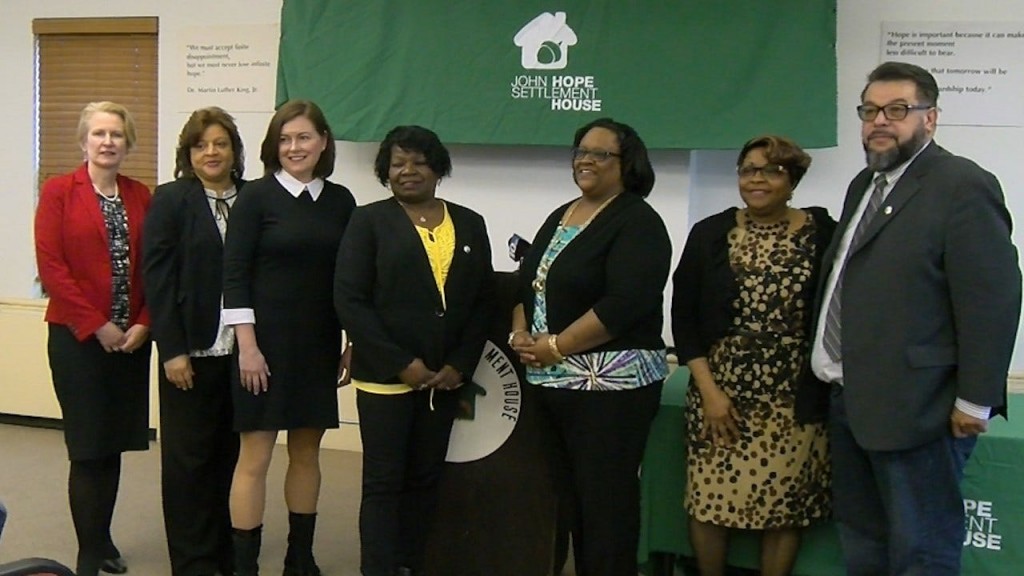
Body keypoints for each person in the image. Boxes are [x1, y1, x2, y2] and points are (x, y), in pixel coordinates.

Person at [808, 61, 1021, 575]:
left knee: (920, 551)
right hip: (850, 400)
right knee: (863, 545)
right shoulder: (865, 184)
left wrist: (975, 398)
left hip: (920, 408)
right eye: (870, 110)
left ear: (930, 118)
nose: (880, 120)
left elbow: (992, 297)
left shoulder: (962, 185)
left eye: (897, 109)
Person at [510, 117, 671, 576]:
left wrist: (557, 346)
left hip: (611, 393)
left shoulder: (638, 221)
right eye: (580, 151)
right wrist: (519, 333)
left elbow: (625, 304)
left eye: (600, 153)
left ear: (627, 163)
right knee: (571, 502)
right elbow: (528, 281)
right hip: (552, 385)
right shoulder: (562, 214)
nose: (585, 160)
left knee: (605, 508)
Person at [334, 125, 495, 576]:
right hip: (386, 377)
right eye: (398, 163)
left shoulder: (470, 222)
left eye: (419, 162)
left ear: (437, 168)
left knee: (426, 478)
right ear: (385, 171)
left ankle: (410, 564)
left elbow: (482, 301)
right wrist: (400, 363)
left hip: (443, 380)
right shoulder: (367, 221)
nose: (408, 171)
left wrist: (460, 364)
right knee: (384, 482)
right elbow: (350, 300)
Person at [671, 135, 834, 576]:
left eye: (772, 170)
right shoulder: (710, 233)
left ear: (793, 180)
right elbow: (684, 318)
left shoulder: (823, 233)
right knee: (709, 500)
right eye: (748, 170)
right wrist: (710, 393)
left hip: (794, 400)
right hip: (719, 392)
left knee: (784, 507)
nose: (757, 179)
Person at [222, 100, 356, 576]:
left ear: (323, 142)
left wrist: (353, 341)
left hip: (318, 346)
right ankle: (244, 565)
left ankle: (300, 558)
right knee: (255, 456)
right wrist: (248, 347)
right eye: (284, 139)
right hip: (262, 349)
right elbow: (234, 275)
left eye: (303, 137)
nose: (294, 147)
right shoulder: (255, 197)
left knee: (306, 453)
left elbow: (351, 279)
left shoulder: (341, 202)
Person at [33, 101, 152, 576]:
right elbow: (51, 268)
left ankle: (102, 539)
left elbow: (155, 266)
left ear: (128, 143)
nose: (108, 142)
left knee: (113, 444)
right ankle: (88, 552)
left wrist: (144, 321)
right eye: (99, 133)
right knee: (87, 447)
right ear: (84, 141)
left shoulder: (141, 195)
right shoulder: (59, 191)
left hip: (130, 343)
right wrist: (97, 324)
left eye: (116, 134)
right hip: (78, 340)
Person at [143, 107, 246, 576]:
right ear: (188, 154)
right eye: (201, 145)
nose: (211, 152)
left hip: (242, 353)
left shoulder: (252, 198)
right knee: (189, 464)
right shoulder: (171, 199)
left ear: (234, 151)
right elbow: (158, 278)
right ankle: (192, 561)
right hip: (191, 352)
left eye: (220, 143)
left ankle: (224, 553)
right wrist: (172, 350)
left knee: (230, 456)